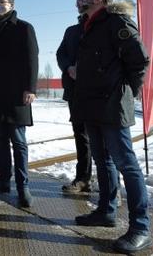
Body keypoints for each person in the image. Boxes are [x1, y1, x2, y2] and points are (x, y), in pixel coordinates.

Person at [70, 0, 152, 254]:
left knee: (126, 164)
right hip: (91, 105)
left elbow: (139, 61)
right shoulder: (89, 27)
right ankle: (106, 211)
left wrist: (126, 91)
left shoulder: (118, 22)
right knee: (103, 161)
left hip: (113, 105)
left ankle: (141, 227)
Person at [0, 0, 38, 208]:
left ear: (11, 4)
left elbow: (32, 58)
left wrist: (30, 87)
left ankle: (23, 186)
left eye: (2, 2)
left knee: (18, 141)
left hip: (17, 94)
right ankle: (3, 181)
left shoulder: (24, 27)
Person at [56, 13, 92, 193]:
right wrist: (68, 67)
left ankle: (111, 184)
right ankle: (83, 178)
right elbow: (61, 53)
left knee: (105, 140)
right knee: (81, 135)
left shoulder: (103, 27)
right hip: (74, 90)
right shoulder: (71, 31)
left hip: (98, 91)